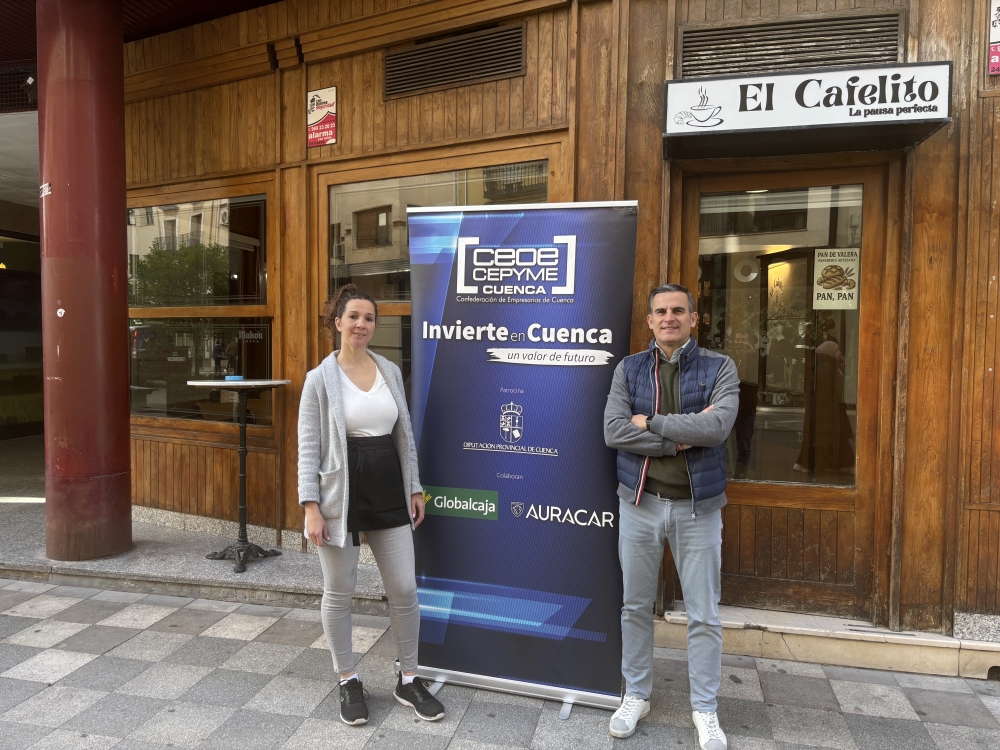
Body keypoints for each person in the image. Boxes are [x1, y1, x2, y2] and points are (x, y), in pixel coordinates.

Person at [297, 284, 445, 727]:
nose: (362, 324)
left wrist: (414, 487)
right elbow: (308, 446)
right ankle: (348, 679)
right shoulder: (319, 379)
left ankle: (409, 677)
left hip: (388, 485)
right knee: (339, 590)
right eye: (354, 316)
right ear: (337, 322)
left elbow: (405, 437)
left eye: (369, 318)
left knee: (404, 588)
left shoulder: (389, 371)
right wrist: (310, 506)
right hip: (339, 493)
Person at [603, 283, 739, 750]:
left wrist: (653, 421)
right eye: (660, 311)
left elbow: (717, 426)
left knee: (703, 614)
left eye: (678, 311)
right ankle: (636, 695)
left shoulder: (720, 367)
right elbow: (614, 430)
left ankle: (705, 709)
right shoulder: (629, 368)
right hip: (639, 504)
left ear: (694, 319)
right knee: (635, 606)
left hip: (698, 510)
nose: (669, 318)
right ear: (649, 321)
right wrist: (679, 436)